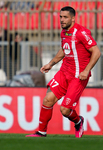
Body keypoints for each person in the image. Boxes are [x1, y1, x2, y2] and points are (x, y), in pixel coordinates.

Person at [26, 6, 101, 138]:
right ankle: (41, 132)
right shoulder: (64, 32)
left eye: (65, 17)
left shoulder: (81, 33)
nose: (62, 20)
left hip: (78, 76)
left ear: (73, 18)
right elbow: (64, 50)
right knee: (48, 100)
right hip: (64, 72)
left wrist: (87, 70)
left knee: (65, 110)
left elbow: (96, 52)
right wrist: (50, 64)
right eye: (60, 17)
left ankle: (78, 121)